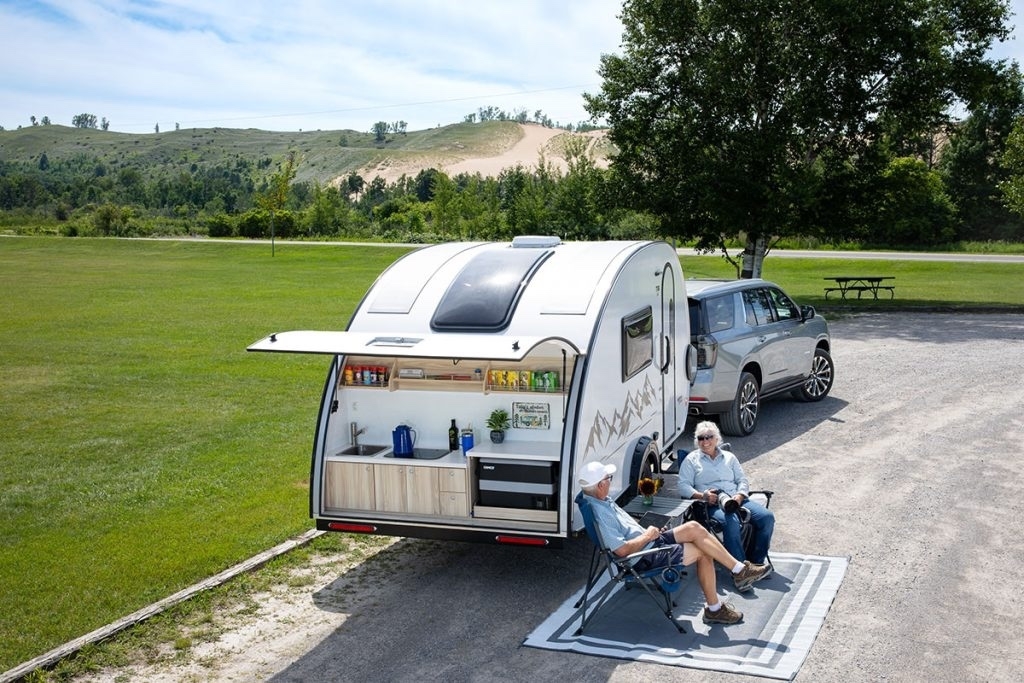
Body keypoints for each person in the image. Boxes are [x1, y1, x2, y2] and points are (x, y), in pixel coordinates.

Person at [578, 460, 770, 625]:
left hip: (648, 541)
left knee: (693, 527)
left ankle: (739, 569)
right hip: (642, 556)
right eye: (608, 478)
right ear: (600, 485)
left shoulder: (599, 499)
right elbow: (622, 551)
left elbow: (624, 531)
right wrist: (647, 536)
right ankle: (715, 609)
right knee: (704, 551)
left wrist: (648, 532)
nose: (610, 481)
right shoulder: (600, 512)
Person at [677, 421, 775, 570]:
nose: (705, 441)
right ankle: (740, 569)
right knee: (731, 521)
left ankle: (757, 562)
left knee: (767, 517)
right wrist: (703, 496)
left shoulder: (729, 457)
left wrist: (740, 496)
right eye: (701, 438)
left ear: (717, 438)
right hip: (711, 504)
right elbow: (683, 486)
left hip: (736, 499)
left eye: (709, 437)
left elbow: (742, 480)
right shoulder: (691, 460)